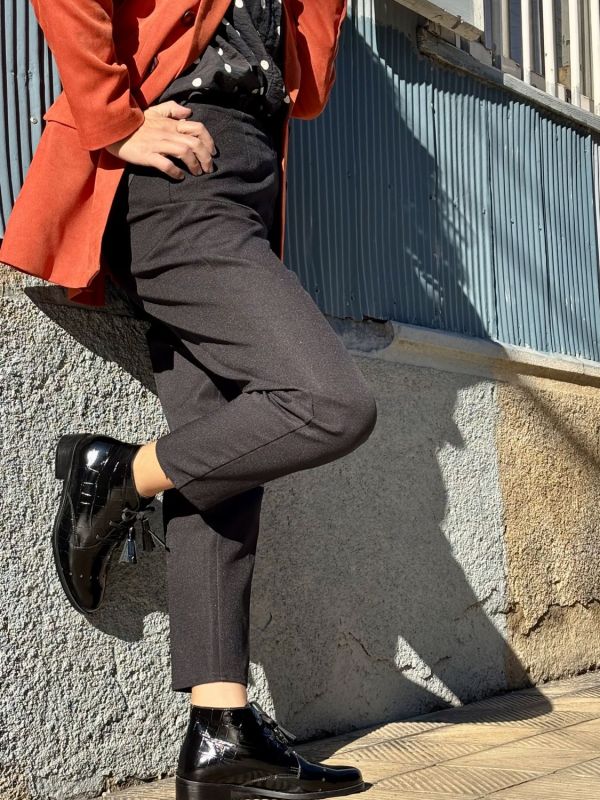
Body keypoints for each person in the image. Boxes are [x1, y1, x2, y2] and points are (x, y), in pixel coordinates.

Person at [10, 1, 378, 798]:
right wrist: (114, 121)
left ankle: (220, 731)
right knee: (330, 402)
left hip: (248, 179)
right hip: (176, 174)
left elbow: (307, 88)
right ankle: (118, 475)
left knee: (220, 452)